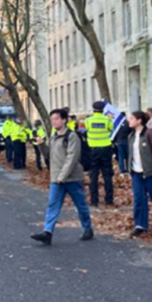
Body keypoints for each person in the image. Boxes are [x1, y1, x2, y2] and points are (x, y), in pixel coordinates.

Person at [30, 109, 94, 246]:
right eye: (52, 119)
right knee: (52, 205)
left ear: (64, 120)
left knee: (81, 205)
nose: (54, 121)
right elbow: (49, 156)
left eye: (57, 119)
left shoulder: (72, 136)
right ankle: (47, 232)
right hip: (56, 178)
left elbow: (72, 157)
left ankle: (87, 228)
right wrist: (41, 144)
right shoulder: (53, 136)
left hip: (72, 178)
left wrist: (62, 177)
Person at [85, 101, 115, 207]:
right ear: (103, 109)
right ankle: (109, 199)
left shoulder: (88, 121)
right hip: (106, 149)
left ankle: (94, 200)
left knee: (93, 176)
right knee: (107, 175)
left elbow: (83, 131)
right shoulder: (108, 120)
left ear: (93, 109)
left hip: (92, 150)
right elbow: (111, 129)